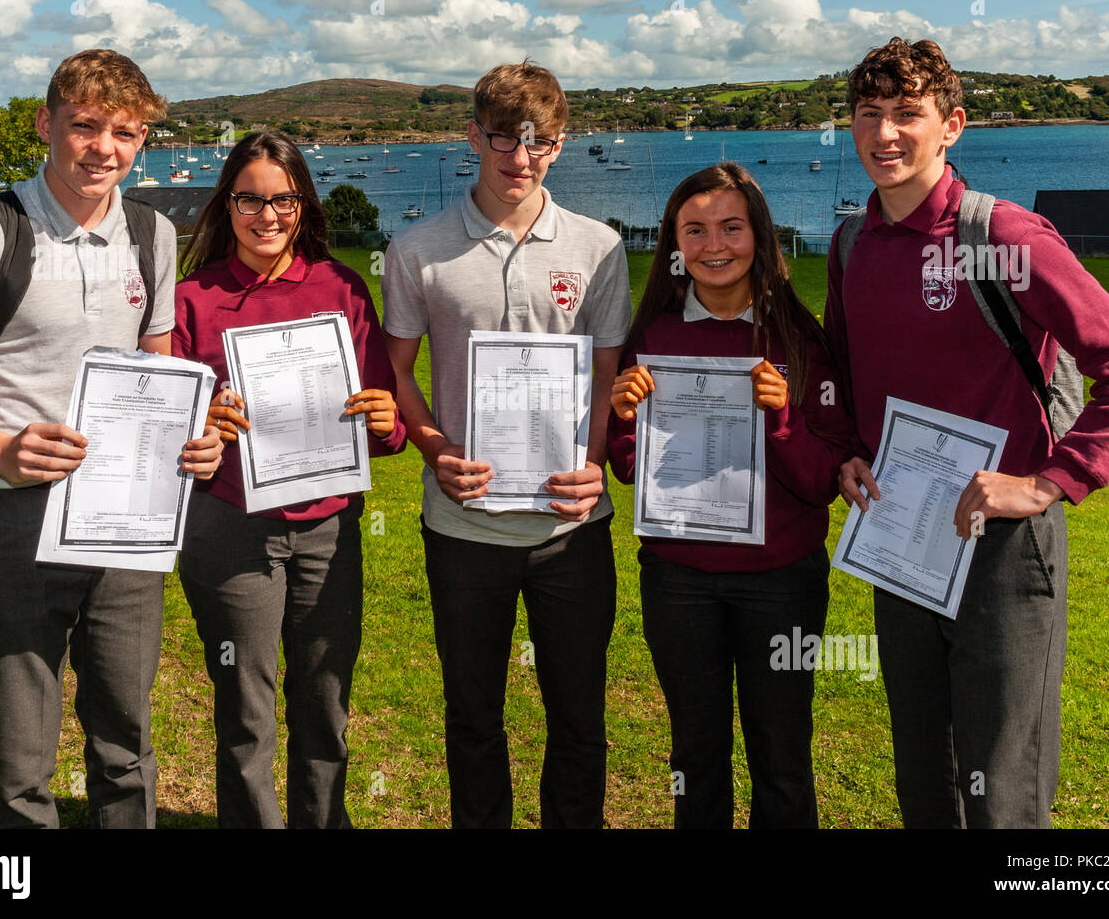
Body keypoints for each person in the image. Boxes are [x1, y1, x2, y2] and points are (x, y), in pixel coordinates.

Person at [825, 37, 1109, 828]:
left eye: (907, 115)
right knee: (925, 781)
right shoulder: (852, 246)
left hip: (1001, 545)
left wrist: (1049, 480)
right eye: (868, 115)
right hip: (904, 536)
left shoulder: (1006, 238)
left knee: (1002, 793)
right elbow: (842, 376)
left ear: (952, 125)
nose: (885, 134)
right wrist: (848, 447)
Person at [0, 49, 223, 828]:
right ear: (46, 123)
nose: (105, 147)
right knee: (20, 757)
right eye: (86, 126)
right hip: (15, 521)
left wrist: (189, 439)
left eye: (127, 133)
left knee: (126, 744)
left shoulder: (152, 234)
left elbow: (159, 370)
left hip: (124, 525)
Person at [382, 62, 631, 829]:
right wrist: (431, 449)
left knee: (580, 724)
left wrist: (592, 468)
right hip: (464, 529)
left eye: (539, 143)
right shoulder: (417, 248)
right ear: (472, 137)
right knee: (473, 721)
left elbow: (606, 374)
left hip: (570, 530)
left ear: (559, 143)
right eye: (502, 140)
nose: (519, 160)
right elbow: (395, 374)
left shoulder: (599, 247)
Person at [608, 163, 855, 828]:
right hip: (678, 581)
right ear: (674, 245)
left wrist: (782, 417)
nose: (714, 244)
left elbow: (820, 479)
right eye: (695, 229)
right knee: (695, 753)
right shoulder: (654, 335)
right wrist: (626, 419)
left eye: (731, 227)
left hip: (781, 581)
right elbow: (631, 469)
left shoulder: (801, 342)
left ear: (760, 236)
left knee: (781, 755)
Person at [173, 130, 405, 828]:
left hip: (328, 528)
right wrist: (202, 423)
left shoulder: (341, 286)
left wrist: (384, 416)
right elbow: (170, 437)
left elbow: (384, 425)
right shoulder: (192, 299)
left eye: (282, 199)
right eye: (250, 199)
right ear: (229, 203)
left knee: (325, 703)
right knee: (247, 709)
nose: (266, 215)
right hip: (229, 527)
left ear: (302, 203)